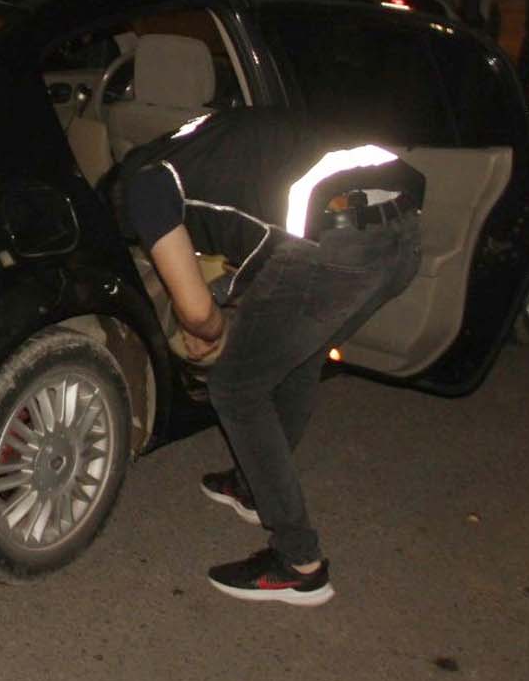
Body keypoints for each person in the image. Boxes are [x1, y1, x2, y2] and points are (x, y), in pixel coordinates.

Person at [119, 108, 425, 605]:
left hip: (336, 249)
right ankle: (252, 488)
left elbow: (197, 313)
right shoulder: (198, 138)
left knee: (236, 388)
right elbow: (257, 230)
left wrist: (208, 337)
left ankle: (299, 562)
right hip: (404, 235)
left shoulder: (144, 188)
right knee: (298, 357)